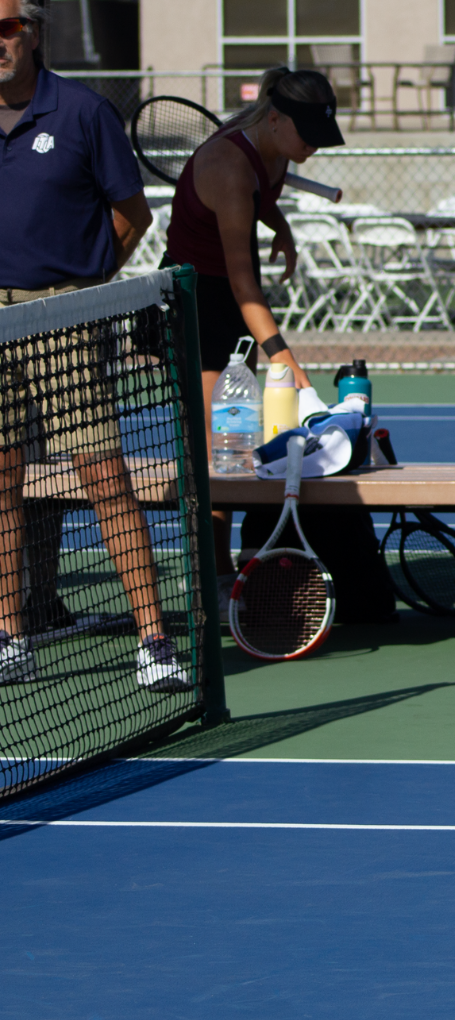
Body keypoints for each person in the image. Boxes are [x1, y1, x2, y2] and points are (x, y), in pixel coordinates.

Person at [0, 0, 186, 691]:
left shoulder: (82, 112)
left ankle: (154, 642)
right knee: (2, 486)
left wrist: (86, 287)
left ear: (35, 32)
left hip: (67, 319)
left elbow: (131, 215)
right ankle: (11, 638)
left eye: (8, 27)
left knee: (105, 479)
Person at [163, 65, 338, 583]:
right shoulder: (228, 165)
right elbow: (245, 286)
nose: (315, 147)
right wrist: (285, 357)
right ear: (277, 119)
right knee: (217, 453)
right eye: (308, 135)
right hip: (194, 301)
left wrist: (279, 226)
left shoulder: (279, 147)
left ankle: (228, 568)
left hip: (232, 306)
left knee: (235, 448)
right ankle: (212, 577)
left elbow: (263, 199)